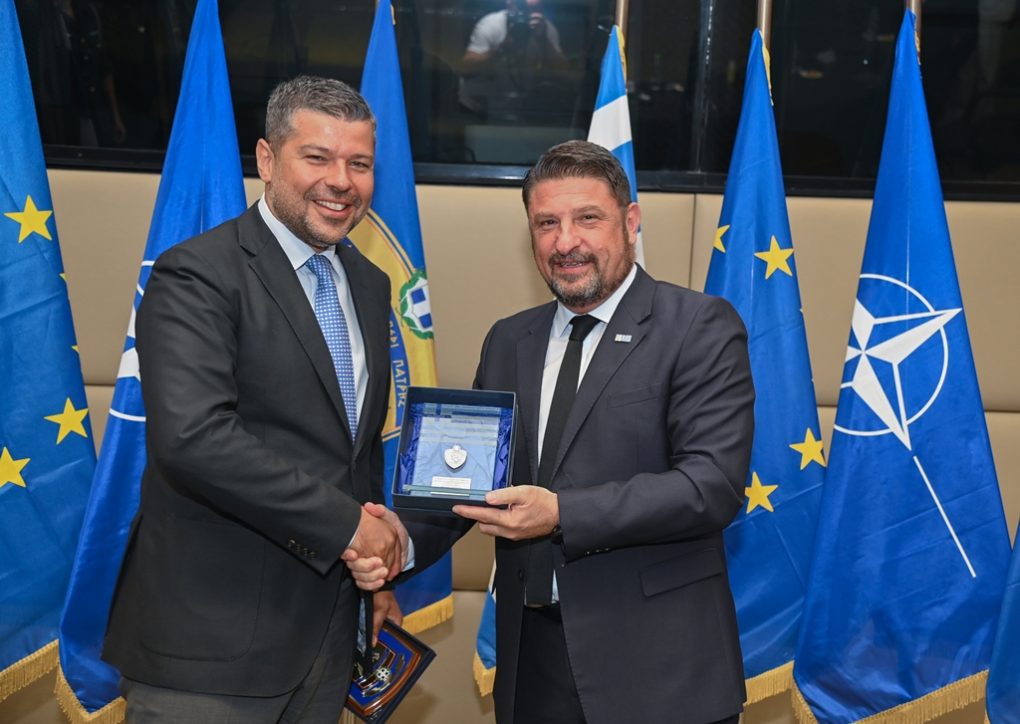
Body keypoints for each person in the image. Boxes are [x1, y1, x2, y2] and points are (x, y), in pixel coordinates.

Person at [350, 140, 755, 724]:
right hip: (532, 663)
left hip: (659, 668)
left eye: (587, 218)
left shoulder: (697, 326)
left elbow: (710, 486)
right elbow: (472, 483)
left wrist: (562, 512)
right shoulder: (509, 339)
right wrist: (398, 542)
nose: (566, 242)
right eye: (546, 223)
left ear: (631, 222)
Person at [102, 76, 407, 723]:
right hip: (209, 647)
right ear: (267, 159)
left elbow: (350, 453)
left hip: (325, 640)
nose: (341, 181)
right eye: (317, 157)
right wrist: (349, 527)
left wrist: (374, 576)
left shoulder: (369, 282)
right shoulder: (197, 274)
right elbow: (194, 439)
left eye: (359, 164)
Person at [459, 0, 569, 119]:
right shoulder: (491, 25)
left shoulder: (545, 29)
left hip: (518, 109)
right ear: (509, 4)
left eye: (533, 9)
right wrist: (501, 49)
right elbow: (467, 68)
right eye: (521, 8)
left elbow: (563, 72)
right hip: (480, 108)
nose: (525, 14)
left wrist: (544, 40)